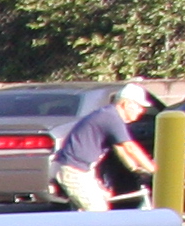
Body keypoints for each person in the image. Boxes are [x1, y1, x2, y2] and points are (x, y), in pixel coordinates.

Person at [54, 82, 158, 210]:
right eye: (139, 106)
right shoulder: (111, 117)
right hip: (74, 171)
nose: (142, 111)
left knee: (101, 201)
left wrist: (135, 169)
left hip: (83, 170)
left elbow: (121, 150)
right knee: (99, 211)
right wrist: (155, 170)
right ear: (126, 104)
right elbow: (130, 148)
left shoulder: (109, 115)